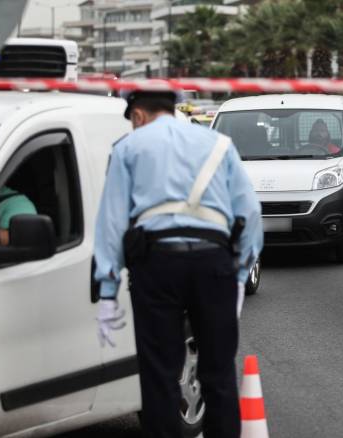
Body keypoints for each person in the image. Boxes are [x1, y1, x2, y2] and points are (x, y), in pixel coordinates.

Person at [93, 90, 263, 438]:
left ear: (138, 115)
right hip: (213, 263)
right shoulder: (219, 144)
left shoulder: (128, 147)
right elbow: (250, 212)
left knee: (159, 376)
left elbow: (111, 223)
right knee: (218, 374)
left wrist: (107, 291)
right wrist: (241, 275)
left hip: (157, 264)